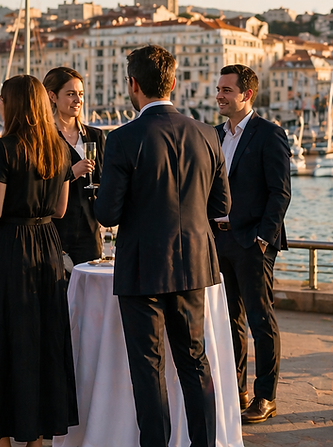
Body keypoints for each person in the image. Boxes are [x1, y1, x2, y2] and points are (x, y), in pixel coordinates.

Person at [95, 45, 230, 447]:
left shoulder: (122, 139)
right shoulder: (208, 134)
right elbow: (222, 205)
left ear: (133, 85)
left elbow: (107, 213)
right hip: (193, 263)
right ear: (173, 83)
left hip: (141, 268)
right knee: (194, 360)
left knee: (148, 367)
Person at [0, 75, 75, 447]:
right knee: (41, 339)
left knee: (5, 338)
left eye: (1, 99)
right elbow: (59, 209)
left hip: (11, 248)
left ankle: (3, 435)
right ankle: (37, 436)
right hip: (46, 245)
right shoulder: (59, 149)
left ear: (12, 104)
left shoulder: (3, 148)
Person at [213, 64, 291, 423]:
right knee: (228, 322)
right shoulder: (213, 135)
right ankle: (236, 390)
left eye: (227, 90)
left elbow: (280, 193)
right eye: (219, 89)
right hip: (218, 242)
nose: (219, 95)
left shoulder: (269, 134)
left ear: (246, 94)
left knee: (261, 320)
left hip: (252, 242)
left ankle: (266, 396)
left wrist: (263, 238)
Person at [43, 67, 105, 266]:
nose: (78, 100)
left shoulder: (95, 136)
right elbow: (39, 185)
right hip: (56, 231)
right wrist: (72, 173)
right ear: (52, 96)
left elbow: (103, 179)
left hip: (90, 231)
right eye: (70, 94)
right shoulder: (45, 139)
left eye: (80, 94)